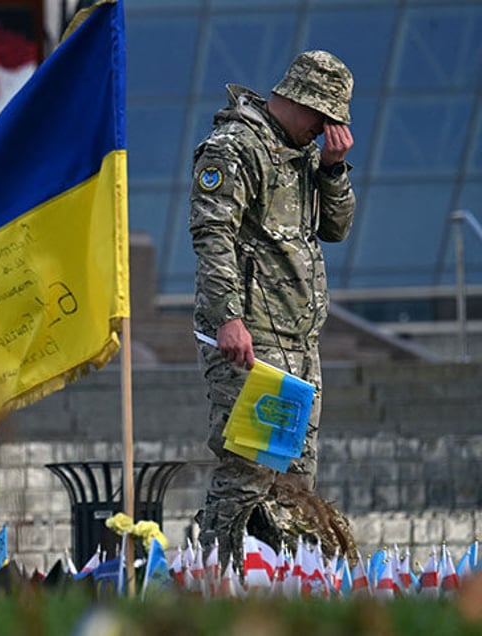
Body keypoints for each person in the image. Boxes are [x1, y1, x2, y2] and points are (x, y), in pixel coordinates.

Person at [189, 50, 356, 569]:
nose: (326, 131)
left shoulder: (306, 154)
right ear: (301, 101)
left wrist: (332, 170)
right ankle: (213, 580)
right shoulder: (234, 148)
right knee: (247, 474)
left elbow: (335, 228)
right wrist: (228, 319)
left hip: (299, 344)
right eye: (323, 119)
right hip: (252, 344)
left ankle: (279, 589)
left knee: (295, 484)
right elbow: (212, 234)